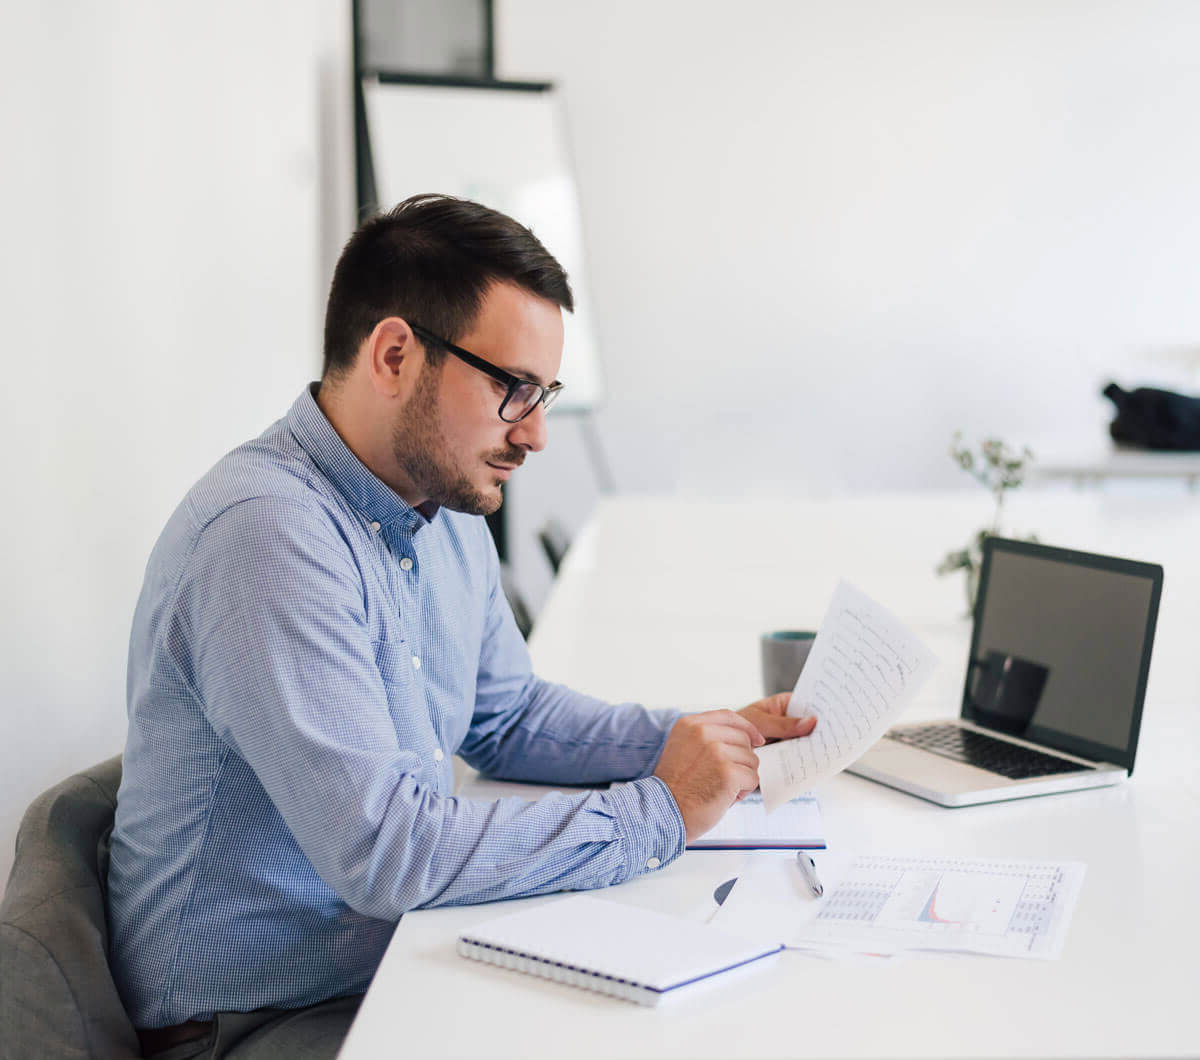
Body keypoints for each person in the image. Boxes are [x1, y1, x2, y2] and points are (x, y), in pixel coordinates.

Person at [107, 194, 816, 1057]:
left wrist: (710, 742)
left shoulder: (441, 511)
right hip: (258, 1019)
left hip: (385, 961)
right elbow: (389, 855)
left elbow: (509, 717)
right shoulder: (268, 537)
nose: (539, 435)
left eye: (545, 393)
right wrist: (660, 809)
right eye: (514, 389)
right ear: (396, 354)